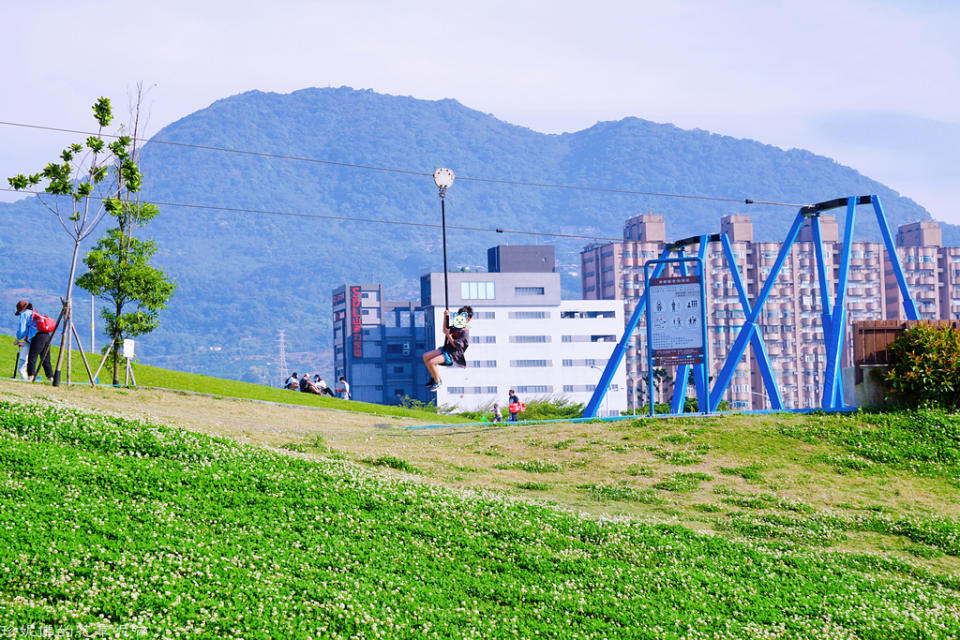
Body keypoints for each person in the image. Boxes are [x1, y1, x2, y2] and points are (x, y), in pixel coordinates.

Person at [421, 306, 474, 392]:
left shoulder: (465, 332)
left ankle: (437, 381)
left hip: (453, 355)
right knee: (425, 356)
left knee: (431, 362)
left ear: (467, 320)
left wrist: (449, 335)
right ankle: (435, 377)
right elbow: (445, 330)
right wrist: (445, 317)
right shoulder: (457, 326)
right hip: (446, 349)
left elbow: (457, 346)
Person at [14, 300, 55, 382]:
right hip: (47, 335)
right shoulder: (34, 312)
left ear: (21, 309)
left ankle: (31, 377)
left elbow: (22, 330)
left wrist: (18, 338)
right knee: (45, 359)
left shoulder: (24, 314)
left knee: (32, 357)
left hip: (37, 337)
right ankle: (51, 379)